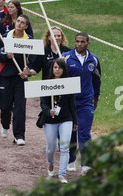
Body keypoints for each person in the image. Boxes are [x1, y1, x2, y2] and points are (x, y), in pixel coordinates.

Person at [63, 32, 101, 175]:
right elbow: (55, 75)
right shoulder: (66, 57)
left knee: (84, 132)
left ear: (88, 43)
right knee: (71, 132)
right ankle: (71, 160)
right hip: (70, 102)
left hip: (86, 101)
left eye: (82, 42)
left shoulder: (94, 60)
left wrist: (96, 98)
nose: (79, 44)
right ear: (74, 42)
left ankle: (87, 164)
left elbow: (97, 80)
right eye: (77, 41)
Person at [0, 14, 30, 145]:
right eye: (18, 21)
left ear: (26, 26)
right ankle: (5, 124)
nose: (19, 23)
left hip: (20, 78)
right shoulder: (5, 37)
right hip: (5, 77)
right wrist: (6, 56)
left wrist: (28, 71)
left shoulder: (28, 39)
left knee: (20, 107)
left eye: (22, 22)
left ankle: (19, 135)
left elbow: (33, 59)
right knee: (5, 106)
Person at [40, 58, 78, 183]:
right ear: (52, 69)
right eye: (55, 67)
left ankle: (62, 174)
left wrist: (75, 120)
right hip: (50, 120)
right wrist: (47, 111)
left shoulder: (68, 84)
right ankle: (50, 164)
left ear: (63, 69)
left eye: (60, 67)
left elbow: (72, 103)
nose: (57, 70)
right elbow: (43, 103)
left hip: (66, 119)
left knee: (65, 147)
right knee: (51, 148)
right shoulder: (46, 83)